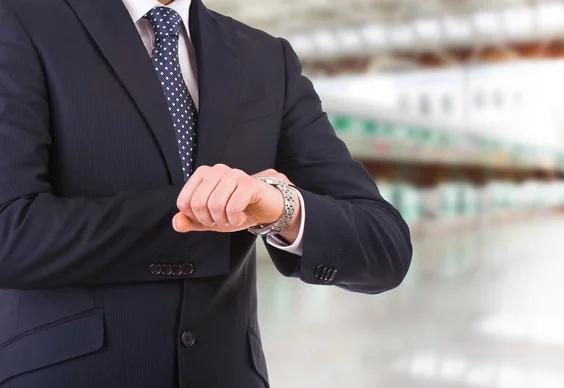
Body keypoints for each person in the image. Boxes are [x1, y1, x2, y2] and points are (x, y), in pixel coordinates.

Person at [0, 0, 412, 387]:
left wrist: (280, 208)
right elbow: (8, 232)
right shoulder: (22, 20)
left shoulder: (266, 58)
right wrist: (208, 211)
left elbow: (384, 248)